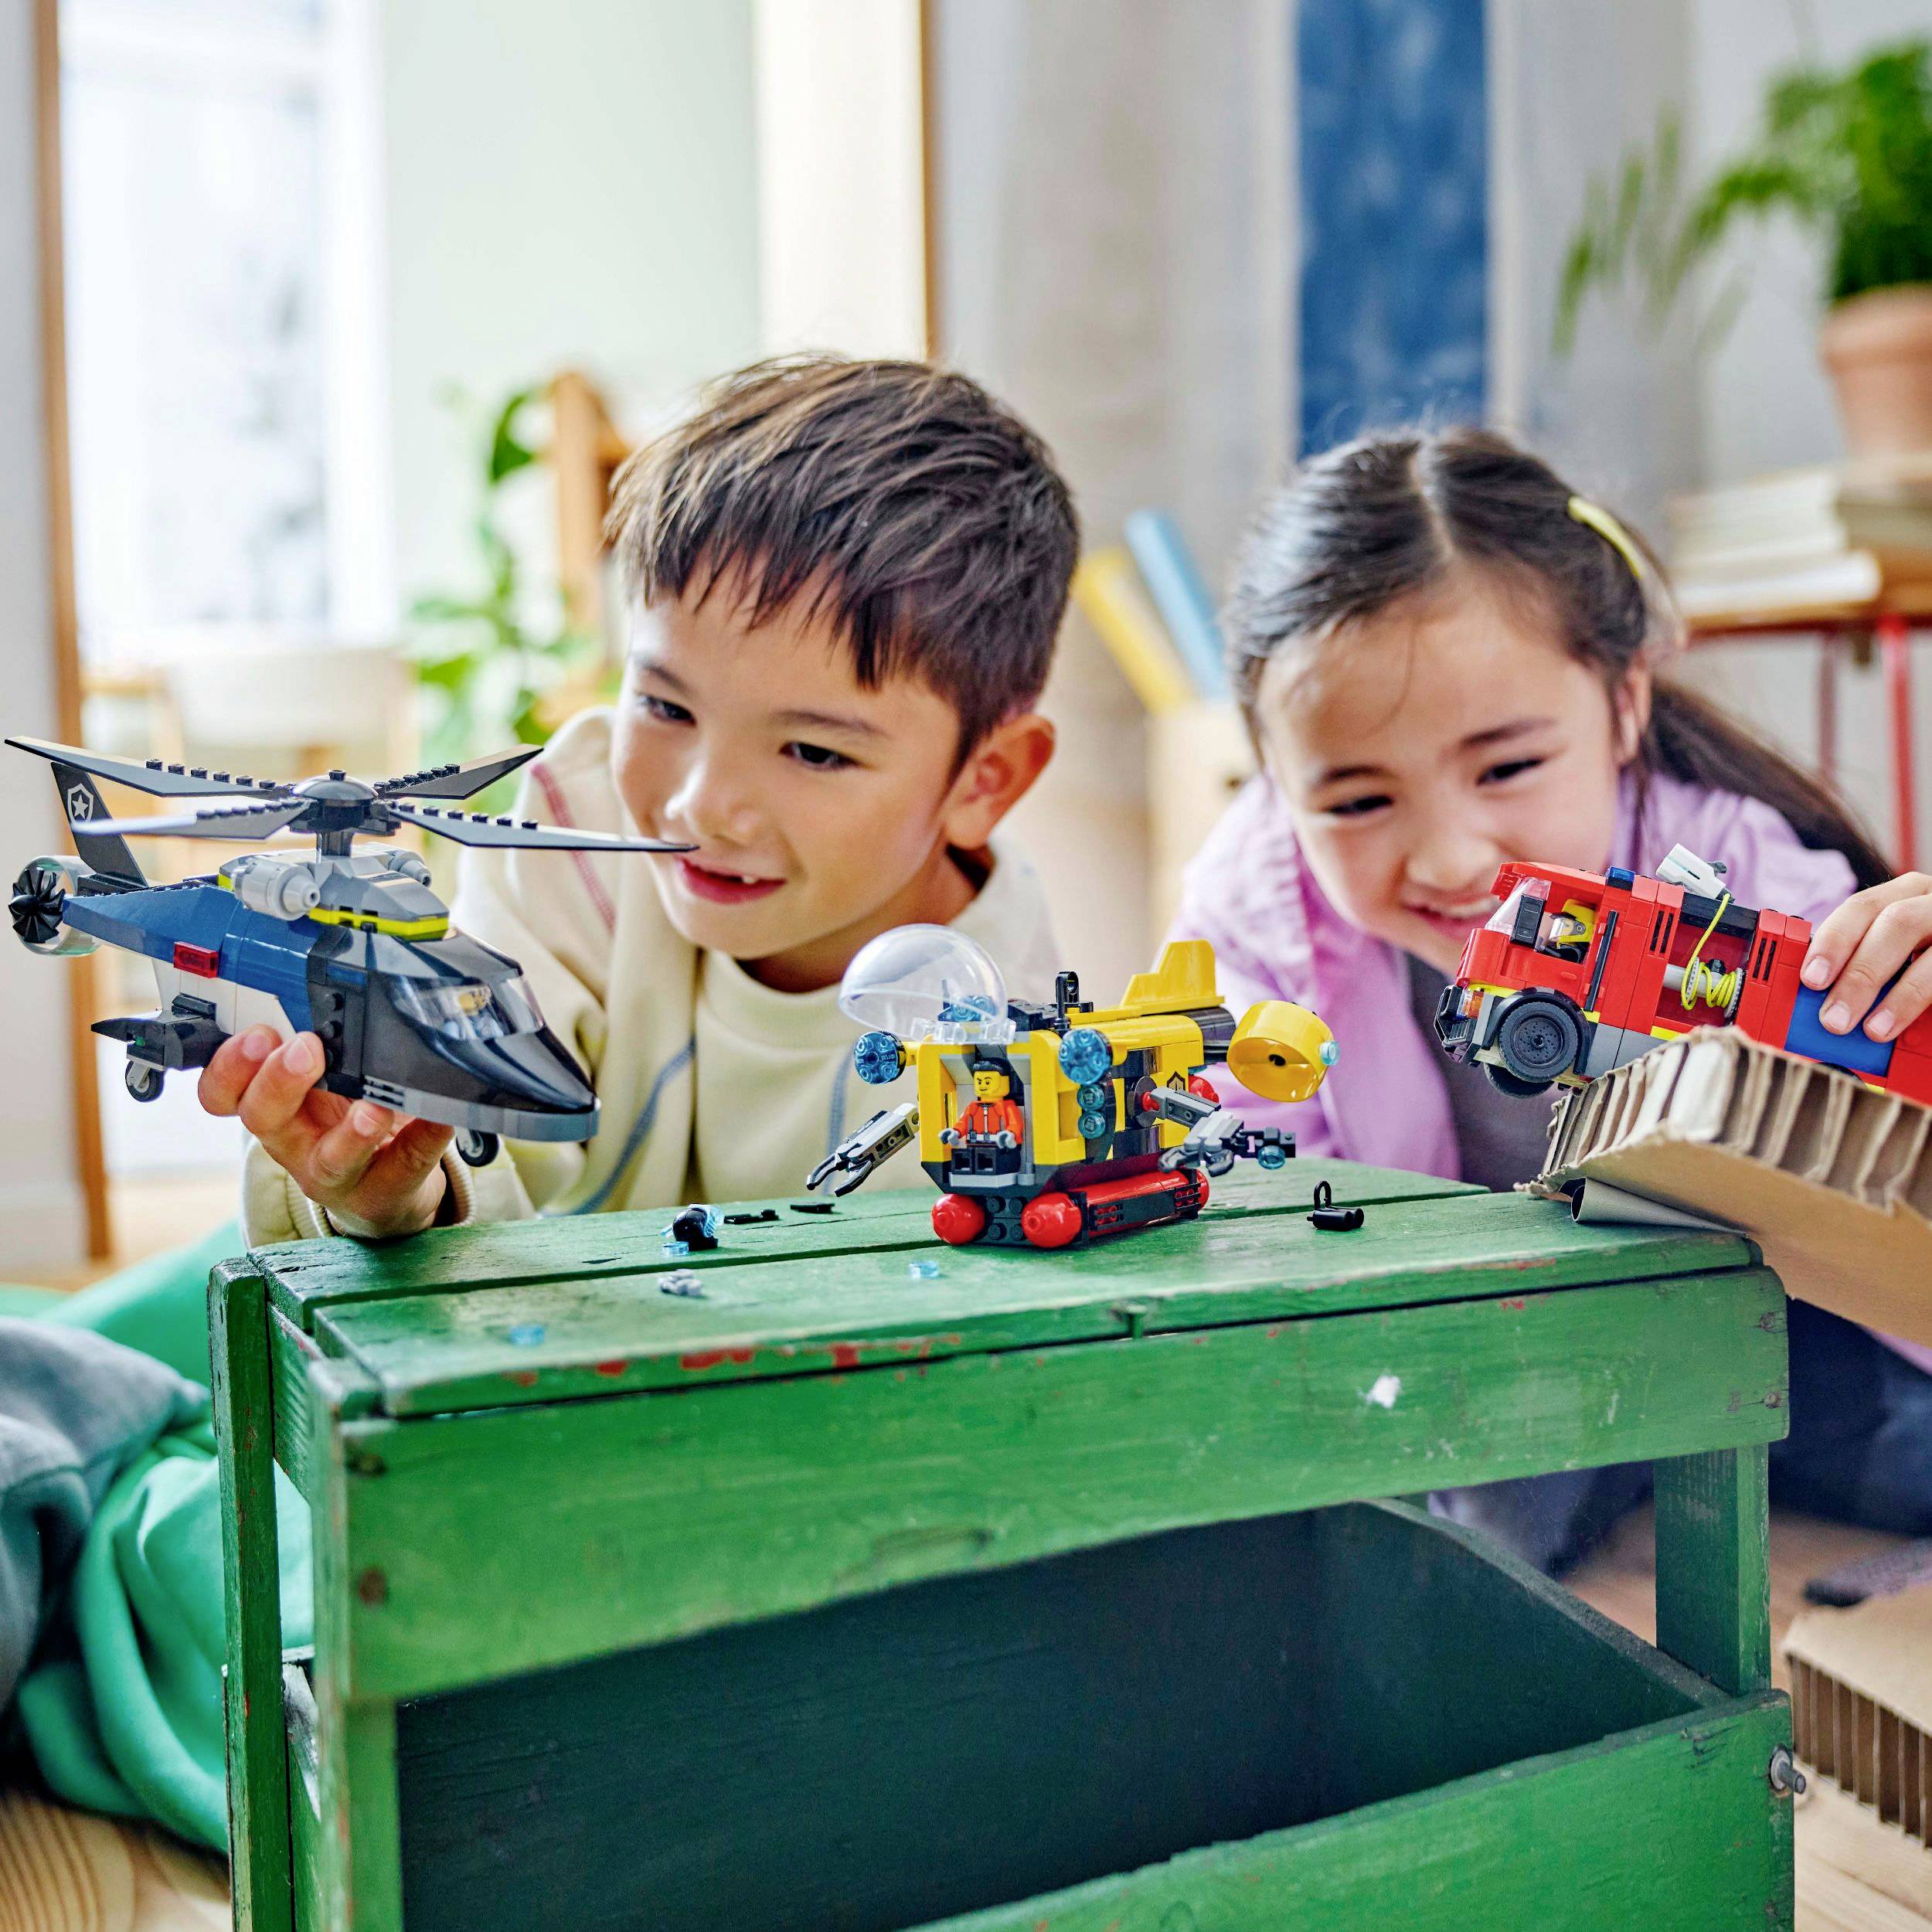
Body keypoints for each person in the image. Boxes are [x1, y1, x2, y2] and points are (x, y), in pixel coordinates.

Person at [1170, 425, 1932, 1573]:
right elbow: (1260, 1211)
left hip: (1773, 1318)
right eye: (1357, 800)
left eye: (1507, 767)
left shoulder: (1752, 882)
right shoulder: (1257, 917)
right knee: (1434, 1539)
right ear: (1277, 782)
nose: (1449, 859)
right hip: (1473, 1351)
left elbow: (1883, 1172)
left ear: (1624, 705)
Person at [202, 355, 1078, 1242]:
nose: (700, 806)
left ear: (985, 779)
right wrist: (393, 1188)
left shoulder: (1014, 1037)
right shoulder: (575, 831)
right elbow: (467, 1137)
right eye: (665, 706)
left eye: (814, 751)